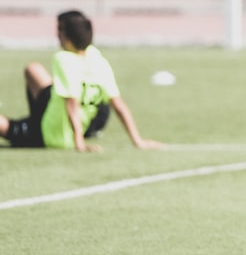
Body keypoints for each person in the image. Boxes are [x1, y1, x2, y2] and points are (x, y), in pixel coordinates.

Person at [0, 10, 160, 152]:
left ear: (67, 38)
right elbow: (118, 105)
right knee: (32, 69)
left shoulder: (63, 59)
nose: (57, 35)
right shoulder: (96, 57)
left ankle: (34, 123)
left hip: (52, 133)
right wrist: (137, 140)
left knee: (7, 127)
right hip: (81, 116)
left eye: (59, 30)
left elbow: (72, 103)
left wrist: (79, 143)